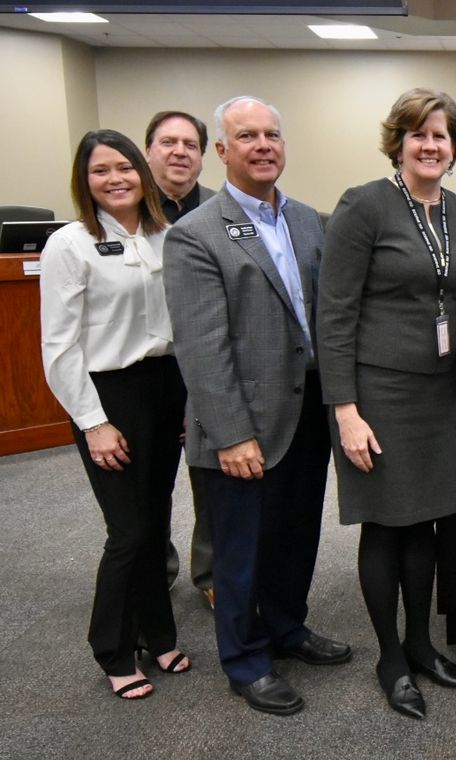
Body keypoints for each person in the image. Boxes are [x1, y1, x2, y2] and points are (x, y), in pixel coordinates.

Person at [164, 96, 351, 717]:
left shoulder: (307, 220)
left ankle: (287, 628)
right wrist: (230, 433)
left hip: (305, 413)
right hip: (242, 423)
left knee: (294, 537)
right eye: (247, 136)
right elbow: (201, 344)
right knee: (240, 548)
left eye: (272, 134)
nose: (263, 145)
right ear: (222, 150)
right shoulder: (196, 235)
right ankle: (245, 659)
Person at [317, 88, 456, 721]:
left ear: (454, 147)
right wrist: (345, 410)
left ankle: (421, 644)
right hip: (378, 393)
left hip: (441, 393)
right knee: (389, 524)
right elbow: (334, 315)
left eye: (441, 135)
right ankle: (390, 657)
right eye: (419, 135)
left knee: (431, 524)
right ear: (399, 143)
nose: (431, 145)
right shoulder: (364, 206)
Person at [40, 129, 191, 700]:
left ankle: (158, 634)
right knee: (126, 531)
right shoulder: (70, 244)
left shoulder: (165, 236)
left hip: (165, 385)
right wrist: (92, 422)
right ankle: (113, 648)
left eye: (125, 168)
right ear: (86, 181)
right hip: (108, 395)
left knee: (154, 523)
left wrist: (188, 400)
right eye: (101, 171)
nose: (116, 179)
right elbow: (58, 347)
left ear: (142, 174)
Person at [143, 109, 216, 607]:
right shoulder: (128, 209)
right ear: (148, 150)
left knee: (210, 475)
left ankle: (211, 573)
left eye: (190, 145)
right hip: (150, 367)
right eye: (168, 143)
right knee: (149, 479)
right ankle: (154, 567)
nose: (179, 153)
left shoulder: (218, 209)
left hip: (205, 361)